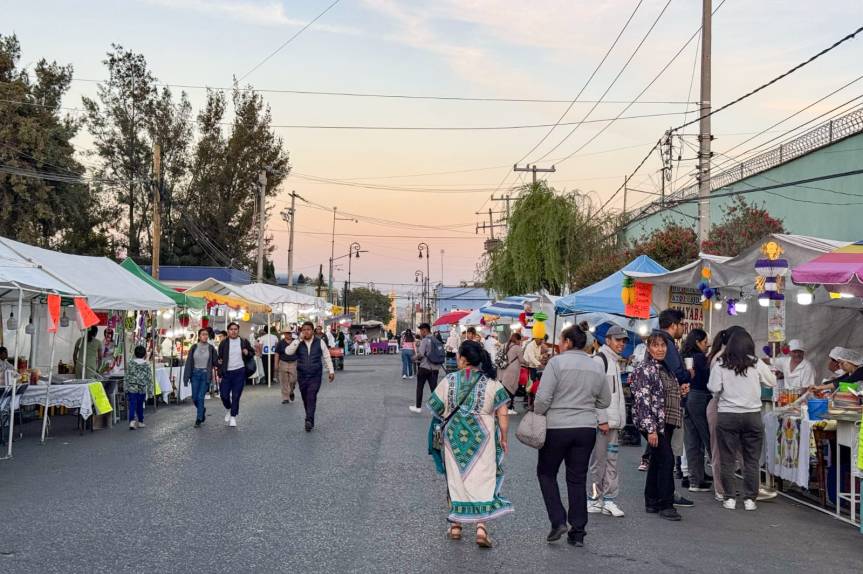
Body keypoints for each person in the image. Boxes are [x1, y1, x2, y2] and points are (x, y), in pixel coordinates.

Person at [427, 339, 512, 548]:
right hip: (484, 440)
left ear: (463, 359)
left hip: (454, 438)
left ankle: (456, 525)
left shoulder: (450, 380)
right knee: (482, 480)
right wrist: (504, 437)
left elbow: (436, 408)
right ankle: (481, 527)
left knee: (456, 479)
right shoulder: (492, 383)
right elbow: (503, 413)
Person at [534, 326, 611, 546]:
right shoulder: (596, 365)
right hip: (585, 428)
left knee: (546, 473)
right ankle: (578, 532)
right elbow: (605, 401)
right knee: (577, 478)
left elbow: (542, 399)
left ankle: (558, 520)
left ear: (567, 342)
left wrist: (539, 412)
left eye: (561, 340)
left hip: (557, 427)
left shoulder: (556, 363)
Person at [708, 330, 775, 511]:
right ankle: (750, 500)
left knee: (727, 459)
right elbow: (772, 381)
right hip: (752, 415)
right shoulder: (757, 363)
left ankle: (729, 498)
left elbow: (713, 387)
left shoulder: (721, 363)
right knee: (751, 459)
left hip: (727, 415)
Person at [629, 333, 684, 521]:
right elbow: (643, 401)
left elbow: (662, 394)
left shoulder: (665, 367)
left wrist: (680, 391)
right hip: (653, 422)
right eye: (656, 345)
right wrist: (651, 429)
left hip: (665, 421)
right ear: (648, 348)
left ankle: (651, 500)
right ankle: (666, 504)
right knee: (667, 459)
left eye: (663, 345)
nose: (660, 349)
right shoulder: (644, 369)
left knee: (658, 459)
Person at [652, 309, 693, 508]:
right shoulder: (666, 342)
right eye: (682, 324)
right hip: (666, 406)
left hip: (661, 404)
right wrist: (687, 375)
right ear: (674, 325)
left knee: (660, 455)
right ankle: (665, 498)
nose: (683, 329)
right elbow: (676, 371)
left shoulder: (659, 340)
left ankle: (655, 497)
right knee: (666, 455)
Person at [587, 325, 628, 518]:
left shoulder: (613, 361)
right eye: (618, 340)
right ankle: (594, 499)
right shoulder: (600, 360)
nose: (621, 344)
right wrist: (602, 419)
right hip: (602, 424)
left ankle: (609, 499)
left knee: (611, 461)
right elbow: (594, 394)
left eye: (623, 340)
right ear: (608, 340)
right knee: (598, 462)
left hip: (612, 423)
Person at [283, 321, 335, 431]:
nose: (306, 332)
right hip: (302, 374)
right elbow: (288, 352)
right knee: (305, 397)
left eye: (308, 329)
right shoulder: (298, 342)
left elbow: (326, 356)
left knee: (311, 395)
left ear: (313, 331)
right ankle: (310, 418)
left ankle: (309, 420)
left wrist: (331, 371)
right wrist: (298, 340)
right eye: (304, 330)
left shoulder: (320, 342)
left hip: (315, 374)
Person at [681, 328, 713, 492]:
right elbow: (710, 379)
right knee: (709, 439)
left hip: (687, 397)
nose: (707, 345)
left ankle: (695, 480)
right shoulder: (700, 358)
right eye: (705, 342)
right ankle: (722, 482)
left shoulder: (684, 356)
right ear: (697, 342)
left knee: (692, 440)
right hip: (700, 396)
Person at [217, 322, 255, 428]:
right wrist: (219, 363)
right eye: (231, 329)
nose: (233, 331)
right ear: (228, 331)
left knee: (236, 395)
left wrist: (247, 353)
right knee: (224, 395)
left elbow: (252, 353)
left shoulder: (243, 341)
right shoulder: (223, 343)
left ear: (238, 330)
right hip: (227, 373)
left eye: (235, 329)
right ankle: (229, 409)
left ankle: (233, 416)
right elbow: (220, 357)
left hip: (239, 372)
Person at [183, 328, 219, 427]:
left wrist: (220, 362)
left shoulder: (211, 348)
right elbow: (189, 362)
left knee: (200, 397)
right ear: (199, 336)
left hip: (205, 375)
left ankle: (199, 419)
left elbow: (215, 362)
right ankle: (202, 409)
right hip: (195, 374)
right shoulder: (194, 347)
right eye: (203, 334)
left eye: (206, 334)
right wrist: (186, 377)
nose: (205, 336)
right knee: (194, 397)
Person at [411, 323, 444, 414]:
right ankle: (438, 408)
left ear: (425, 330)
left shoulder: (425, 340)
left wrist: (414, 358)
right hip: (435, 369)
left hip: (424, 367)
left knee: (420, 387)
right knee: (434, 390)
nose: (420, 333)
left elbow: (421, 354)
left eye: (421, 331)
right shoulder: (436, 339)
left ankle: (418, 407)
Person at [125, 345, 151, 430]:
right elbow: (149, 378)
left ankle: (132, 421)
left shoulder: (130, 363)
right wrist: (150, 391)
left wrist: (126, 387)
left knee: (132, 404)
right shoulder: (146, 364)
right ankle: (140, 421)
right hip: (142, 388)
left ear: (135, 353)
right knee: (140, 405)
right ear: (145, 354)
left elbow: (127, 376)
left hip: (132, 387)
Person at [498, 333, 523, 415]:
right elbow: (522, 360)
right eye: (520, 340)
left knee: (505, 388)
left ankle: (503, 407)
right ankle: (509, 407)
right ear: (517, 339)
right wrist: (529, 363)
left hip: (502, 370)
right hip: (512, 371)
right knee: (511, 388)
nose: (520, 342)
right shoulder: (517, 348)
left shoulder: (504, 345)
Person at [275, 328, 298, 404]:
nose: (289, 334)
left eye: (290, 333)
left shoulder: (295, 342)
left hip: (293, 363)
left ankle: (291, 391)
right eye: (287, 333)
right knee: (284, 381)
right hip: (283, 363)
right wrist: (276, 364)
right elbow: (277, 354)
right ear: (284, 334)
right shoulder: (280, 343)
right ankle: (285, 398)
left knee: (293, 380)